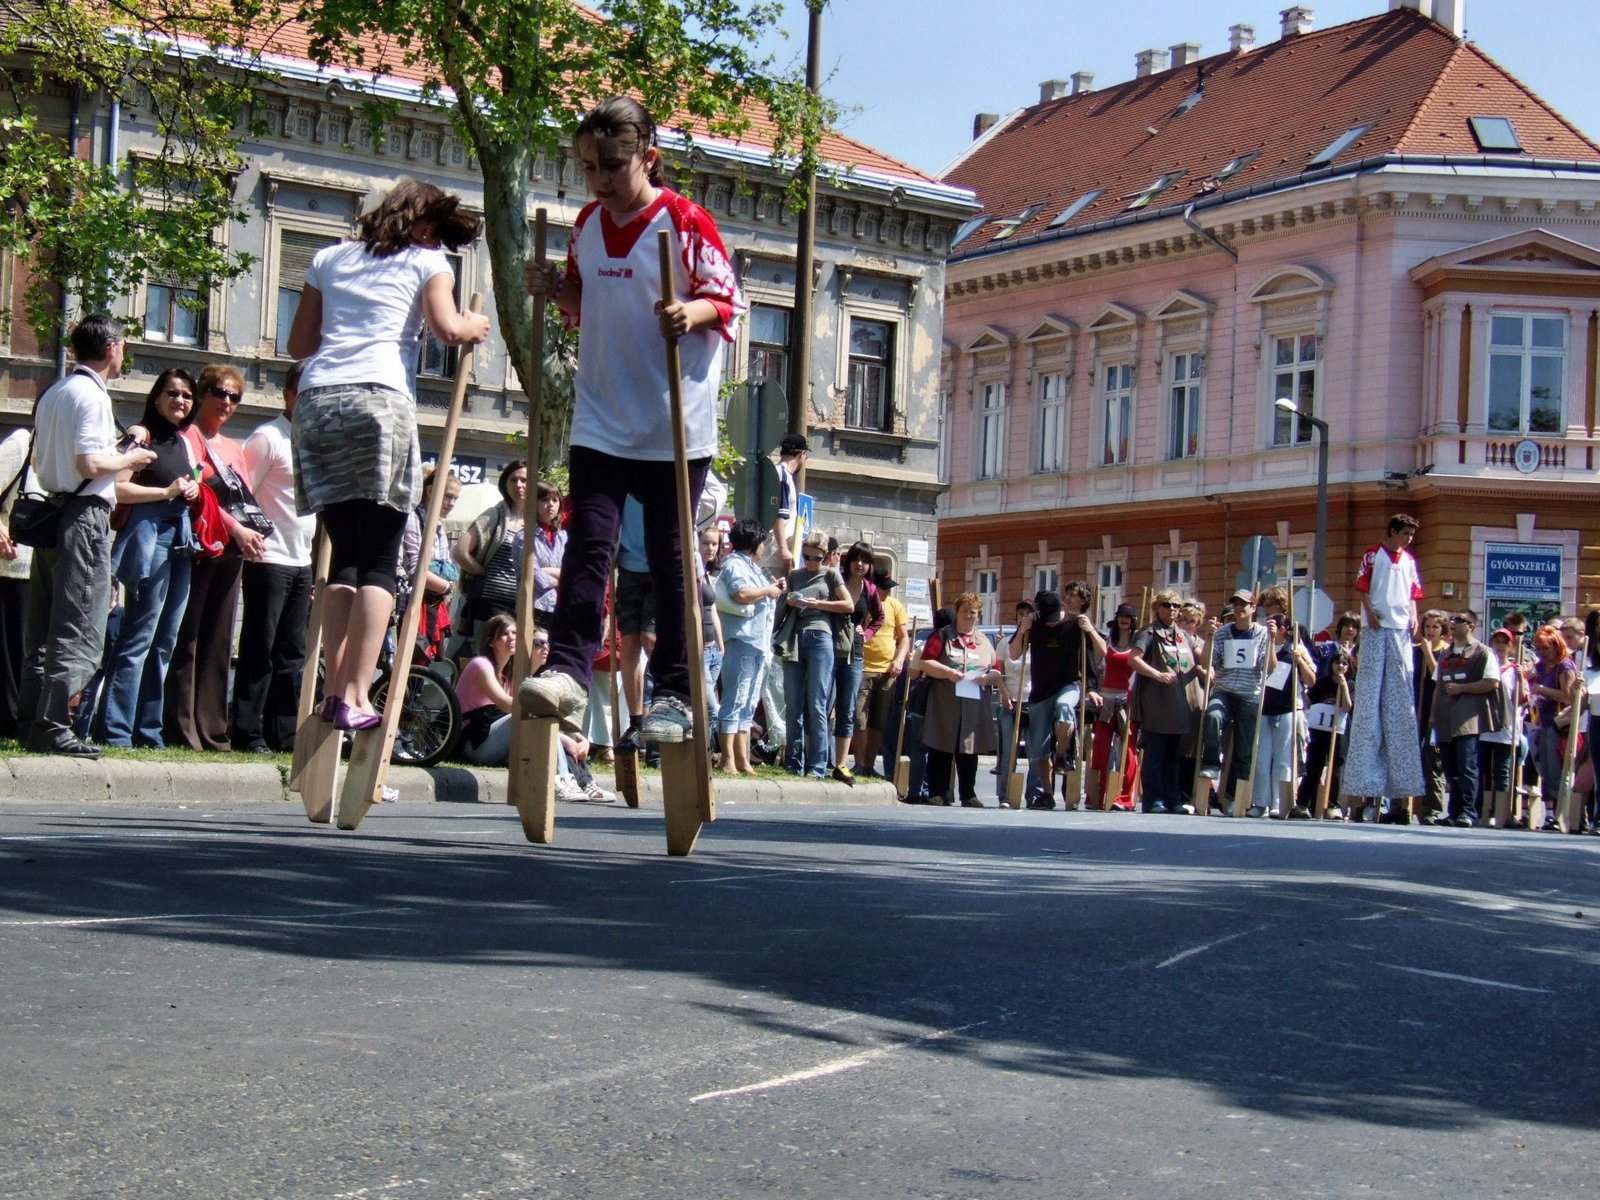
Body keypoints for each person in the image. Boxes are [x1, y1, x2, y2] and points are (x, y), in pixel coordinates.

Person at [519, 96, 745, 746]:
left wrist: (690, 313)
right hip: (601, 414)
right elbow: (582, 300)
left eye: (613, 166)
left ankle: (675, 690)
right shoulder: (587, 224)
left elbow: (728, 298)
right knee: (589, 543)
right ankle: (566, 668)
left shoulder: (684, 221)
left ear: (648, 158)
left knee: (672, 558)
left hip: (672, 422)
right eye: (589, 167)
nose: (600, 180)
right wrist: (551, 288)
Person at [286, 177, 491, 732]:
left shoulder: (328, 257)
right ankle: (356, 691)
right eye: (437, 231)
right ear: (422, 224)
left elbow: (299, 345)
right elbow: (447, 328)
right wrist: (472, 325)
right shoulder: (427, 262)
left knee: (345, 557)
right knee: (379, 560)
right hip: (379, 400)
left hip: (318, 402)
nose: (438, 241)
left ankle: (334, 687)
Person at [19, 315, 157, 757]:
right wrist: (133, 458)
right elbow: (90, 465)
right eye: (123, 346)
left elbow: (53, 461)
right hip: (84, 517)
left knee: (45, 624)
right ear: (112, 348)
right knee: (79, 623)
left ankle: (32, 720)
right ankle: (54, 725)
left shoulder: (55, 392)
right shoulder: (92, 396)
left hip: (53, 510)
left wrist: (121, 446)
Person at [95, 369, 201, 749]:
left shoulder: (183, 441)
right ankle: (116, 731)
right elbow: (117, 488)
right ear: (156, 398)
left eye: (186, 395)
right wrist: (165, 492)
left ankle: (149, 732)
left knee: (165, 641)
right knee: (138, 637)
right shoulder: (141, 435)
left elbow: (187, 483)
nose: (180, 400)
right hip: (150, 538)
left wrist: (191, 490)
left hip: (180, 539)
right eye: (172, 393)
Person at [162, 364, 266, 751]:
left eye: (234, 397)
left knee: (219, 640)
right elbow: (199, 496)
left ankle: (212, 729)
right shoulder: (187, 437)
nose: (227, 402)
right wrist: (237, 530)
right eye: (220, 393)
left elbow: (245, 500)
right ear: (202, 394)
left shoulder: (235, 448)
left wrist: (250, 534)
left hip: (229, 552)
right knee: (188, 636)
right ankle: (181, 727)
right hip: (197, 546)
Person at [231, 361, 317, 752]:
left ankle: (282, 733)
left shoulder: (314, 441)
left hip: (301, 561)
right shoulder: (268, 437)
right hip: (269, 558)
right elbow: (240, 493)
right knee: (259, 648)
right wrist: (247, 536)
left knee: (291, 653)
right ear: (288, 394)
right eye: (304, 392)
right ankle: (246, 731)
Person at [454, 614, 610, 800]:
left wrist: (578, 737)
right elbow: (508, 705)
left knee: (549, 717)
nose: (512, 638)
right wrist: (561, 736)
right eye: (504, 634)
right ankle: (560, 780)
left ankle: (583, 782)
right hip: (474, 744)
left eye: (515, 633)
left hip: (496, 739)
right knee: (535, 715)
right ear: (491, 642)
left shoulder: (509, 671)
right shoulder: (481, 664)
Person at [1343, 514, 1426, 801]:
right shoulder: (1372, 555)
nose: (1408, 539)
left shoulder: (1409, 561)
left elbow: (1413, 593)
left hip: (1400, 631)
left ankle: (1402, 785)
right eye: (1405, 533)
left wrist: (1414, 616)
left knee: (1399, 700)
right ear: (1392, 531)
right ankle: (1363, 783)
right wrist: (1369, 613)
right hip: (1376, 628)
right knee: (1369, 701)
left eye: (1411, 535)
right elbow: (1363, 588)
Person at [1014, 584, 1104, 810]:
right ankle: (1047, 793)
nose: (1051, 623)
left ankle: (1062, 754)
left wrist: (1091, 630)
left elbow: (1104, 652)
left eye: (1054, 619)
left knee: (1064, 707)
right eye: (1048, 620)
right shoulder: (1034, 623)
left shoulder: (1076, 623)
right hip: (1041, 690)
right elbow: (1014, 654)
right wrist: (1022, 631)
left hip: (1069, 684)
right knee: (1039, 747)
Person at [774, 529, 851, 777]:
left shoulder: (831, 574)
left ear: (825, 556)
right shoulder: (795, 575)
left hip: (821, 637)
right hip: (795, 638)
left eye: (816, 558)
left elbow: (848, 605)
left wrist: (819, 604)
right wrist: (788, 600)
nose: (810, 562)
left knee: (817, 704)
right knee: (793, 703)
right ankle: (793, 763)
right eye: (806, 556)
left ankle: (817, 766)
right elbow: (781, 607)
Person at [713, 517, 783, 775]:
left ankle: (742, 759)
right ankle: (727, 759)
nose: (764, 547)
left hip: (756, 643)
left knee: (748, 703)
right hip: (740, 640)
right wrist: (767, 590)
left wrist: (773, 587)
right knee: (734, 699)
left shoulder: (752, 567)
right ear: (754, 543)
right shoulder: (734, 564)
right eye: (762, 542)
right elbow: (740, 593)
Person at [1128, 589, 1207, 814]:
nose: (1172, 609)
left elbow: (1203, 657)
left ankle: (1173, 800)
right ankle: (1153, 800)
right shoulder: (1149, 632)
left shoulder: (1183, 635)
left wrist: (1211, 637)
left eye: (1175, 605)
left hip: (1179, 705)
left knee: (1173, 754)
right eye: (1167, 605)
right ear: (1157, 608)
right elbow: (1133, 659)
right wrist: (1157, 674)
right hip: (1157, 701)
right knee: (1155, 753)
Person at [918, 591, 1001, 807]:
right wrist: (947, 672)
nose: (968, 616)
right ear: (957, 612)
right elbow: (926, 662)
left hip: (973, 706)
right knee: (941, 748)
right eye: (964, 611)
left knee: (969, 750)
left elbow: (996, 670)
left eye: (973, 612)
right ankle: (937, 793)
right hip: (945, 703)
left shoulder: (984, 641)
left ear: (978, 614)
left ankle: (968, 795)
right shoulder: (942, 635)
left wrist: (987, 678)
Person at [1199, 589, 1271, 811]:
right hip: (1225, 690)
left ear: (1253, 608)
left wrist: (1272, 641)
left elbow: (1270, 667)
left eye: (1243, 604)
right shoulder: (1222, 633)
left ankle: (1233, 797)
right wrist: (1209, 637)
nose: (1239, 608)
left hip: (1249, 694)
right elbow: (1206, 662)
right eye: (1236, 604)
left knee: (1244, 748)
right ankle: (1211, 763)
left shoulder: (1261, 634)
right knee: (1212, 715)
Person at [1430, 610, 1500, 827]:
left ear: (1471, 626)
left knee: (1467, 766)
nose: (1453, 623)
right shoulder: (1445, 653)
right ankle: (1454, 812)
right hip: (1446, 717)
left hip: (1468, 718)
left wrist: (1462, 688)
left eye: (1459, 620)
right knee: (1450, 767)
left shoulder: (1482, 652)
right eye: (1452, 620)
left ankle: (1468, 812)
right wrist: (1432, 715)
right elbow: (1438, 686)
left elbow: (1492, 682)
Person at [1253, 613, 1316, 818]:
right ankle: (1260, 802)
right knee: (1262, 759)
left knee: (1283, 760)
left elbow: (1311, 680)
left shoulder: (1295, 648)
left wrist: (1300, 661)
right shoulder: (1263, 646)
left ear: (1283, 629)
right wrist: (1270, 640)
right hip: (1265, 708)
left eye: (1274, 626)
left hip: (1287, 709)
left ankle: (1279, 803)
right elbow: (1269, 668)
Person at [398, 466, 462, 665]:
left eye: (455, 499)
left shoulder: (439, 525)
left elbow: (447, 569)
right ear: (430, 491)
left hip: (432, 604)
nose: (451, 503)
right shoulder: (413, 518)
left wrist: (445, 583)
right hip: (411, 603)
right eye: (448, 496)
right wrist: (446, 586)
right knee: (408, 663)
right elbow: (416, 570)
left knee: (423, 665)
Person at [454, 460, 528, 631]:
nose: (518, 485)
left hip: (523, 606)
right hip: (490, 604)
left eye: (524, 480)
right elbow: (460, 552)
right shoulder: (494, 515)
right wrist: (482, 572)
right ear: (505, 485)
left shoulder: (536, 522)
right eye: (513, 480)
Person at [831, 540, 882, 784]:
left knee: (847, 707)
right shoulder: (836, 580)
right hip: (830, 647)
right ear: (848, 561)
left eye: (865, 561)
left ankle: (841, 764)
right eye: (856, 559)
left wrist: (867, 633)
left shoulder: (870, 589)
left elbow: (879, 617)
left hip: (855, 651)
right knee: (822, 703)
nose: (859, 564)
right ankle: (818, 760)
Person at [853, 567, 909, 780]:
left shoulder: (895, 606)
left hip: (887, 671)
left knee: (879, 721)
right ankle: (859, 764)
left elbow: (903, 638)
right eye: (883, 588)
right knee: (859, 719)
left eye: (888, 588)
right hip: (862, 668)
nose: (886, 592)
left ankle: (868, 765)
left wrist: (899, 659)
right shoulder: (861, 602)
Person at [1090, 603, 1141, 811]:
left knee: (1128, 750)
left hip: (1128, 700)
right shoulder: (1108, 642)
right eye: (1121, 615)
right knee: (1100, 748)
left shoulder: (1139, 645)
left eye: (1128, 616)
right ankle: (1096, 795)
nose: (1124, 619)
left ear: (1133, 621)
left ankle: (1125, 798)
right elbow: (1096, 667)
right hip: (1106, 700)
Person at [0, 424, 33, 738]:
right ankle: (9, 722)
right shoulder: (23, 443)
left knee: (27, 649)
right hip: (9, 566)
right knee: (11, 648)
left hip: (43, 568)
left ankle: (19, 720)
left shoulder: (65, 456)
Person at [1528, 624, 1578, 827]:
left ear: (1557, 646)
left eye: (1546, 648)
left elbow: (1568, 697)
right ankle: (1550, 813)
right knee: (1545, 769)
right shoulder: (1540, 666)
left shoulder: (1564, 666)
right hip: (1542, 721)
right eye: (1539, 648)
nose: (1542, 652)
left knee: (1557, 768)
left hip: (1559, 725)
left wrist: (1542, 689)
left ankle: (1561, 813)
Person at [1294, 649, 1353, 819]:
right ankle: (1303, 804)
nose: (1340, 666)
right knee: (1313, 767)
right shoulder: (1322, 683)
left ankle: (1334, 805)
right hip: (1319, 732)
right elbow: (1309, 701)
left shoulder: (1351, 684)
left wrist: (1343, 686)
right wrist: (1300, 691)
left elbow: (1347, 707)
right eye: (1337, 662)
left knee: (1336, 769)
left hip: (1339, 733)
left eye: (1344, 663)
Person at [769, 432, 807, 573]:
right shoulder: (783, 476)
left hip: (773, 556)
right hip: (775, 558)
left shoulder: (776, 473)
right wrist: (784, 549)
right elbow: (778, 514)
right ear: (801, 454)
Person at [530, 479, 566, 616]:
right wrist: (564, 579)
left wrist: (548, 571)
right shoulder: (525, 537)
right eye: (545, 500)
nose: (551, 504)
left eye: (555, 500)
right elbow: (534, 577)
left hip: (562, 607)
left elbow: (574, 572)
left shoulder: (563, 537)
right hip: (536, 608)